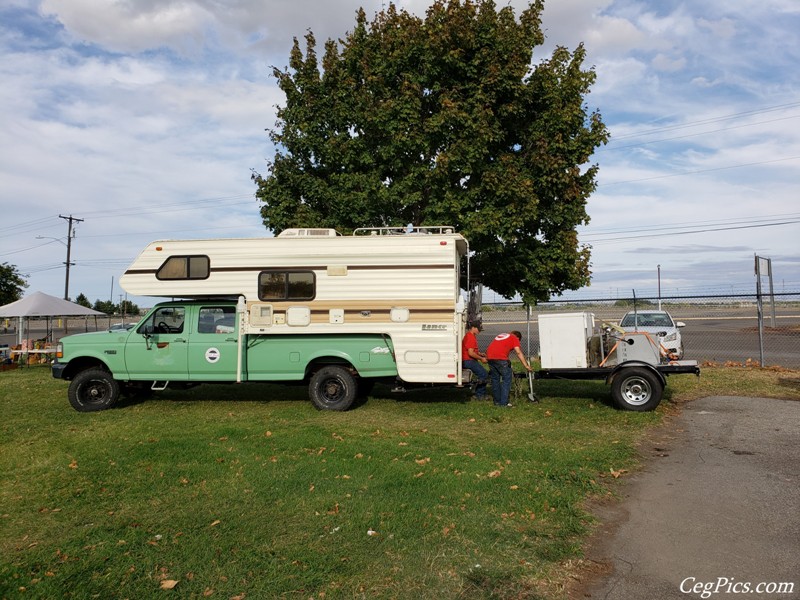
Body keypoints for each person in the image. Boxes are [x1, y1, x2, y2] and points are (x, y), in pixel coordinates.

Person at [486, 330, 533, 407]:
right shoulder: (514, 338)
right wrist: (526, 365)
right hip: (500, 358)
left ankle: (497, 402)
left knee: (495, 380)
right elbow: (518, 352)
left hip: (490, 357)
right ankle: (504, 403)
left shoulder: (502, 335)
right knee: (507, 380)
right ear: (518, 337)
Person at [461, 321, 488, 398]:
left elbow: (471, 350)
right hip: (468, 360)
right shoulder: (471, 337)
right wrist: (481, 358)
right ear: (473, 328)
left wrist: (479, 353)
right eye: (478, 329)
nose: (479, 331)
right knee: (483, 374)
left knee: (482, 373)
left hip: (467, 359)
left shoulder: (469, 335)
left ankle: (477, 391)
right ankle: (480, 395)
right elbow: (471, 353)